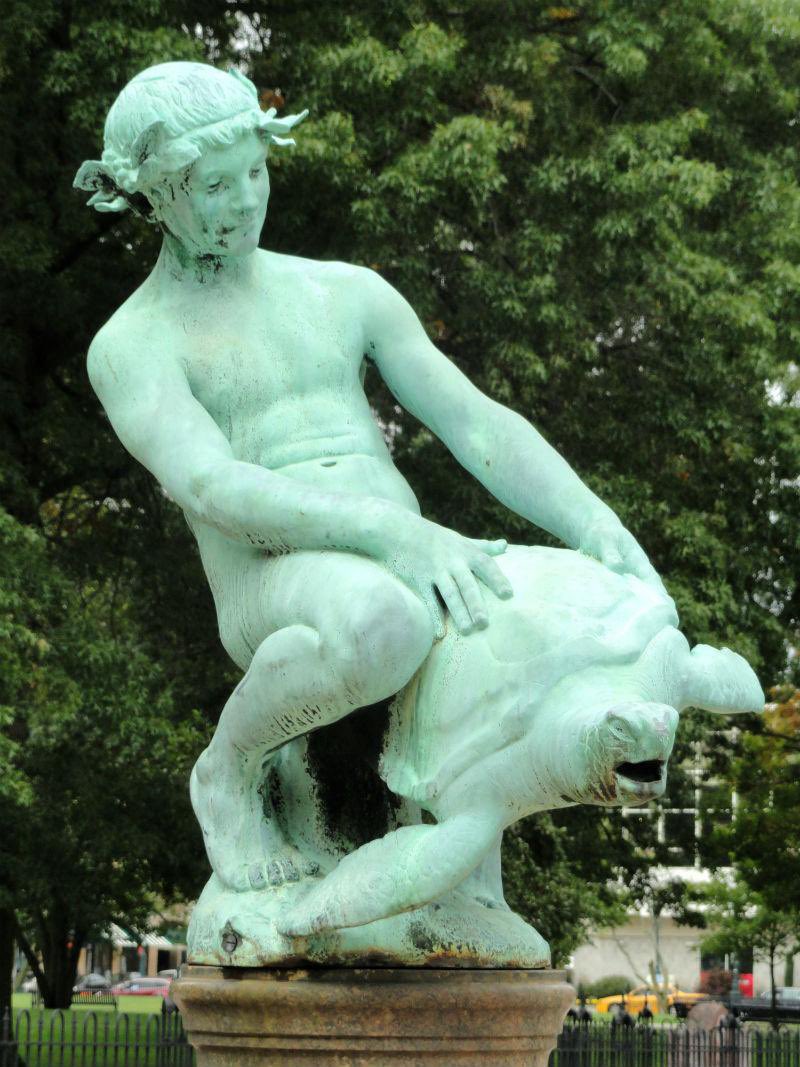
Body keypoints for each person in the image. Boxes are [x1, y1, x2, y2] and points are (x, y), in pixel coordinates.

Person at [76, 61, 664, 894]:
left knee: (590, 607)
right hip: (273, 575)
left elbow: (476, 422)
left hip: (407, 551)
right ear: (155, 194)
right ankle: (228, 769)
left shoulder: (343, 291)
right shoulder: (134, 343)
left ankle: (453, 876)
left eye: (256, 171)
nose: (245, 200)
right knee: (389, 619)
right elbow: (211, 487)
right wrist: (394, 531)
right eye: (214, 185)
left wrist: (597, 526)